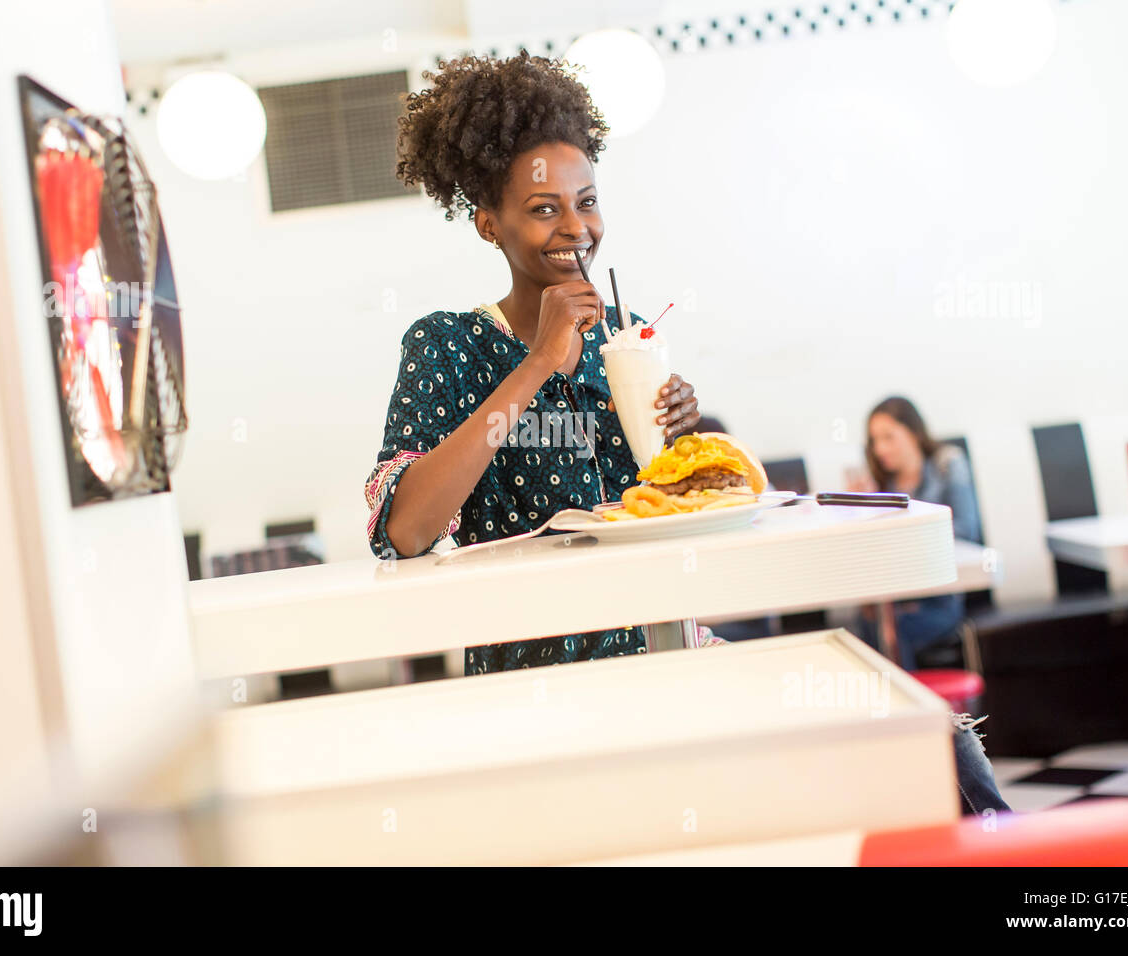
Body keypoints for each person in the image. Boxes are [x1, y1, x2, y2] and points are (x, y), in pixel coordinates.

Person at [364, 53, 1007, 815]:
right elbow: (404, 529)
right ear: (487, 221)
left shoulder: (627, 339)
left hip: (669, 651)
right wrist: (538, 363)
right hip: (539, 690)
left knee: (928, 740)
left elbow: (662, 520)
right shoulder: (446, 347)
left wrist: (683, 453)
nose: (576, 227)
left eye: (588, 200)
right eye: (543, 208)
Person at [853, 397, 982, 671]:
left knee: (892, 631)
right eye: (875, 441)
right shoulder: (880, 484)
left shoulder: (947, 465)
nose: (880, 449)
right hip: (895, 599)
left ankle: (909, 710)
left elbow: (965, 530)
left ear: (913, 432)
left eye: (889, 437)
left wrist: (901, 539)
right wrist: (857, 510)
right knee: (865, 624)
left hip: (939, 601)